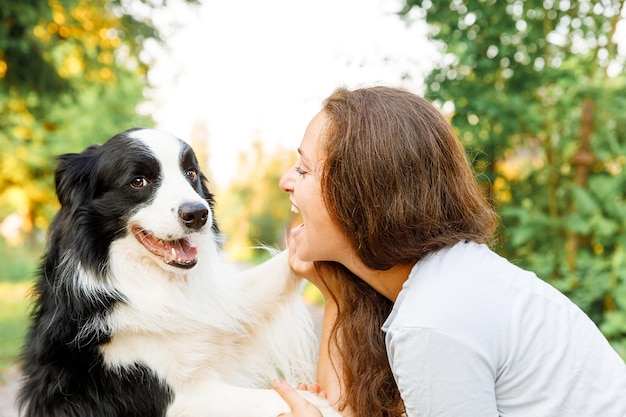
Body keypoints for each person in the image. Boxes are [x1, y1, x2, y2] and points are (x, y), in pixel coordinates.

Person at [272, 85, 626, 417]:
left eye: (304, 170)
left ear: (361, 198)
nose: (285, 181)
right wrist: (334, 292)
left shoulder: (433, 321)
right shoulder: (444, 280)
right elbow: (343, 407)